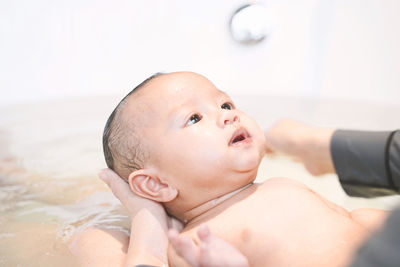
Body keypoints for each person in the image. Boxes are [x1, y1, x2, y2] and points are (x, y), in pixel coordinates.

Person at [70, 72, 389, 266]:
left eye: (225, 104)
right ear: (155, 184)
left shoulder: (279, 186)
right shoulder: (193, 243)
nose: (228, 115)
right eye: (193, 118)